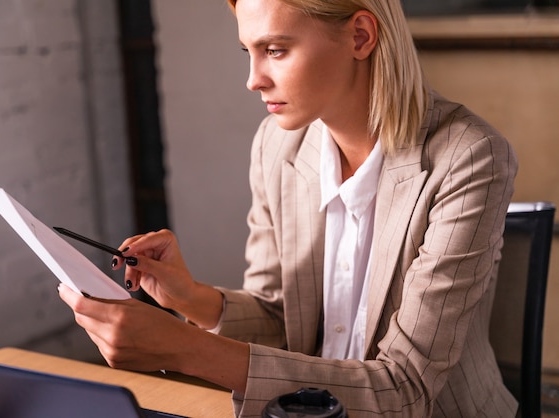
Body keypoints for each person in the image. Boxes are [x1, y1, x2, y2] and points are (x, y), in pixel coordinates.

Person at [58, 0, 519, 416]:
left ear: (360, 36)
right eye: (249, 52)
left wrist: (185, 349)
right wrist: (191, 299)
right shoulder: (277, 146)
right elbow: (277, 317)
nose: (253, 79)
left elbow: (405, 388)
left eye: (275, 50)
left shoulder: (468, 157)